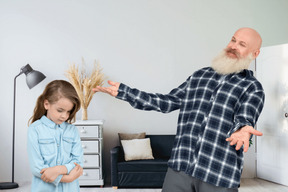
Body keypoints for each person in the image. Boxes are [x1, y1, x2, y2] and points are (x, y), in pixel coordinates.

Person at [93, 27, 265, 192]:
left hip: (218, 173)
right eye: (233, 40)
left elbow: (245, 117)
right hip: (181, 168)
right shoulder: (200, 75)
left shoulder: (252, 87)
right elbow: (167, 102)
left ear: (255, 54)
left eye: (242, 44)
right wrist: (126, 93)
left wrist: (243, 129)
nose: (233, 46)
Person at [27, 80, 84, 192]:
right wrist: (68, 178)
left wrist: (58, 169)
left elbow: (78, 163)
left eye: (68, 111)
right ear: (46, 104)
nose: (64, 116)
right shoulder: (34, 129)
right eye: (60, 110)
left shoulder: (72, 131)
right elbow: (36, 168)